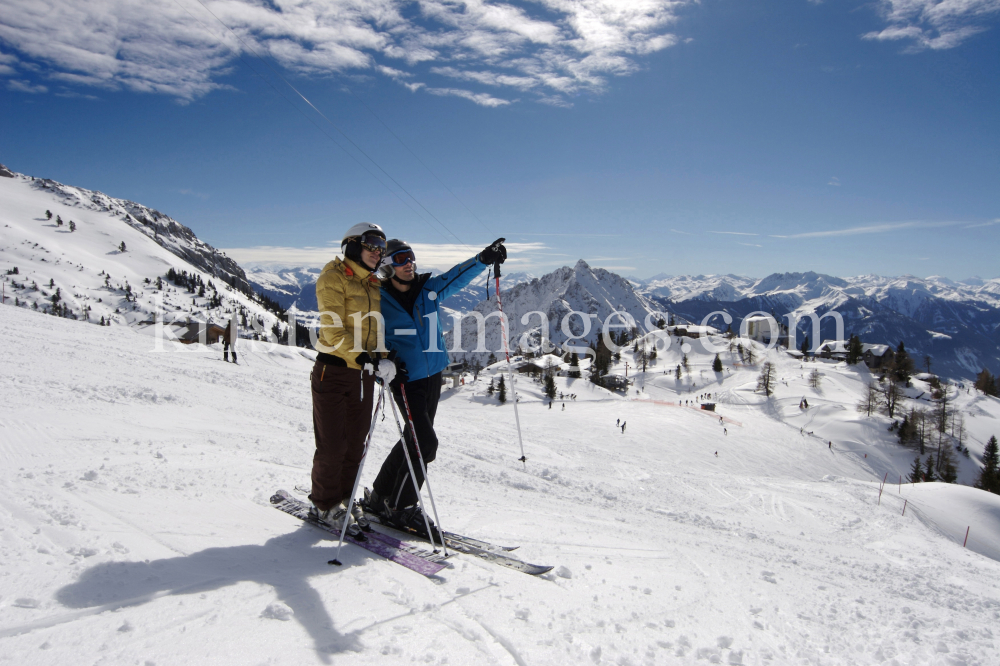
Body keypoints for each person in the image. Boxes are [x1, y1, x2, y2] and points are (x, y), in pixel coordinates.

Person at [364, 238, 505, 537]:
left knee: (412, 439)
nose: (409, 263)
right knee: (425, 444)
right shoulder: (376, 299)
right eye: (401, 259)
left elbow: (456, 275)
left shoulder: (428, 290)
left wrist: (483, 258)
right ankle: (401, 508)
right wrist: (380, 364)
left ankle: (379, 498)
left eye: (411, 257)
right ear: (387, 267)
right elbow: (364, 337)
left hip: (433, 376)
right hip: (405, 380)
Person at [308, 223, 397, 531]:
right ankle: (324, 504)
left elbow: (376, 330)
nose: (377, 252)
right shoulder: (333, 276)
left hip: (362, 374)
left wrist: (383, 358)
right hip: (332, 370)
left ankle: (345, 499)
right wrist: (363, 358)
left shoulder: (373, 283)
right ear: (352, 244)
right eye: (372, 244)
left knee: (355, 444)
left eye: (381, 247)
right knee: (333, 445)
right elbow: (332, 330)